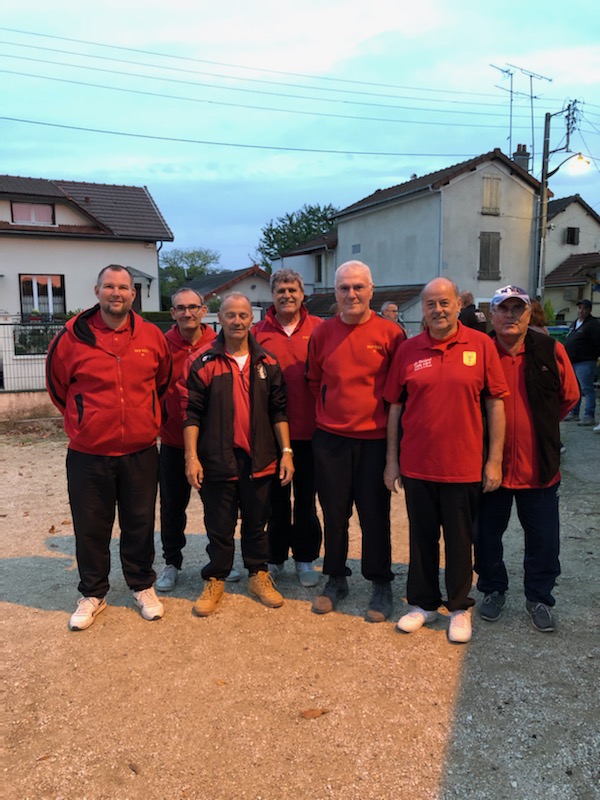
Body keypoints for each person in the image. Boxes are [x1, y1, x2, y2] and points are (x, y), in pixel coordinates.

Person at [46, 264, 172, 630]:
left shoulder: (151, 336)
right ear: (97, 290)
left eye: (124, 287)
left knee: (140, 523)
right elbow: (59, 389)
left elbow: (160, 384)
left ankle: (141, 585)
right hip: (88, 453)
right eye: (110, 287)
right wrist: (85, 421)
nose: (117, 293)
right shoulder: (71, 337)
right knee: (91, 526)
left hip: (140, 450)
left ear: (134, 294)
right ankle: (93, 592)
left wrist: (141, 417)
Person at [383, 277, 507, 644]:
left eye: (444, 303)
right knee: (422, 539)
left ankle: (458, 607)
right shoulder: (408, 350)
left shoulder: (481, 345)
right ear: (423, 309)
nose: (438, 310)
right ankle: (422, 604)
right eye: (431, 304)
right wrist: (392, 461)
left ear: (458, 304)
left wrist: (494, 461)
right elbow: (394, 407)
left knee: (459, 540)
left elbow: (495, 404)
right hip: (418, 465)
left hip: (463, 465)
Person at [180, 293, 294, 616]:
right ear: (219, 317)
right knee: (219, 525)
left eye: (243, 315)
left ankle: (258, 575)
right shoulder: (203, 363)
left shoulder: (268, 363)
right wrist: (192, 458)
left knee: (258, 524)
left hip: (260, 459)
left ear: (251, 319)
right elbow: (191, 415)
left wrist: (286, 453)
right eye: (231, 315)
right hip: (217, 459)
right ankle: (216, 577)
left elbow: (279, 412)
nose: (237, 321)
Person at [475, 285, 579, 632]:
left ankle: (538, 597)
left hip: (539, 468)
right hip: (491, 468)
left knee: (544, 539)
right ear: (492, 316)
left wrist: (541, 429)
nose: (510, 315)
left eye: (517, 309)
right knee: (487, 535)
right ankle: (492, 589)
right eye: (503, 309)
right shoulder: (480, 351)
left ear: (528, 314)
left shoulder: (551, 350)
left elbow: (568, 398)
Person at [306, 261, 406, 621]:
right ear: (335, 292)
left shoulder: (390, 334)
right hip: (330, 439)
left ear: (371, 290)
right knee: (334, 513)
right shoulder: (322, 333)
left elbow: (399, 391)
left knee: (374, 514)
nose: (351, 294)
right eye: (344, 288)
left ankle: (380, 582)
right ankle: (335, 577)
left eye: (358, 287)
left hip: (375, 440)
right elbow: (315, 380)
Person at [252, 269, 323, 587]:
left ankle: (305, 559)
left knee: (306, 500)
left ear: (302, 292)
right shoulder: (257, 333)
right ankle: (276, 556)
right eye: (281, 289)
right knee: (276, 501)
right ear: (272, 294)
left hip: (312, 431)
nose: (287, 295)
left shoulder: (320, 329)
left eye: (293, 289)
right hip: (271, 433)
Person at [155, 288, 217, 592]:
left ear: (204, 310)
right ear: (173, 313)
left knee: (217, 506)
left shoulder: (218, 344)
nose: (187, 313)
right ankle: (172, 562)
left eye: (193, 307)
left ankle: (219, 561)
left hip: (211, 443)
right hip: (172, 441)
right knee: (172, 507)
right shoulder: (161, 345)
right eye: (181, 308)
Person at [564, 299, 600, 426]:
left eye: (584, 308)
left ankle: (589, 415)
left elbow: (597, 342)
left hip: (585, 361)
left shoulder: (592, 324)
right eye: (579, 308)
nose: (581, 311)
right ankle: (574, 412)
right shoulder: (574, 323)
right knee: (575, 389)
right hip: (572, 361)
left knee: (587, 389)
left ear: (589, 310)